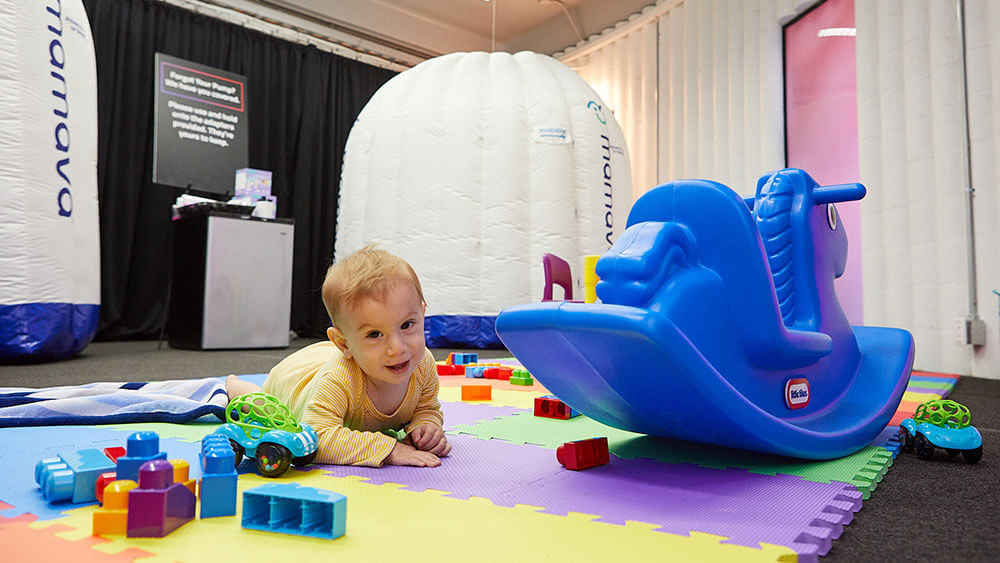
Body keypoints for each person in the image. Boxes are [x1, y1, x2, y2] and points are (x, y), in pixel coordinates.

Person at [225, 243, 450, 467]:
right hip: (295, 379)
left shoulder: (423, 364)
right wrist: (390, 449)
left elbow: (426, 408)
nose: (398, 348)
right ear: (343, 343)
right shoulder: (339, 380)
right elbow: (318, 437)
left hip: (332, 357)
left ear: (422, 313)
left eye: (407, 325)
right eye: (374, 334)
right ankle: (231, 385)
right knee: (257, 403)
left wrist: (426, 426)